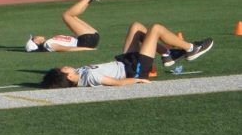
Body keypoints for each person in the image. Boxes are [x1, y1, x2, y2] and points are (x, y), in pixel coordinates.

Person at [41, 21, 213, 89]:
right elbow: (117, 82)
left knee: (137, 27)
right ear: (70, 77)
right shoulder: (91, 77)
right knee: (156, 29)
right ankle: (191, 48)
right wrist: (138, 79)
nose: (65, 66)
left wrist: (50, 81)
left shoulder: (78, 74)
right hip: (134, 69)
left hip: (125, 61)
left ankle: (168, 54)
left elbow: (53, 82)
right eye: (64, 69)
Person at [25, 0, 103, 53]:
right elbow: (67, 49)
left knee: (72, 16)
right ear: (36, 42)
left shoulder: (49, 41)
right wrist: (87, 49)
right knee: (66, 15)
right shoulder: (48, 45)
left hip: (87, 38)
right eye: (33, 38)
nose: (35, 36)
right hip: (86, 41)